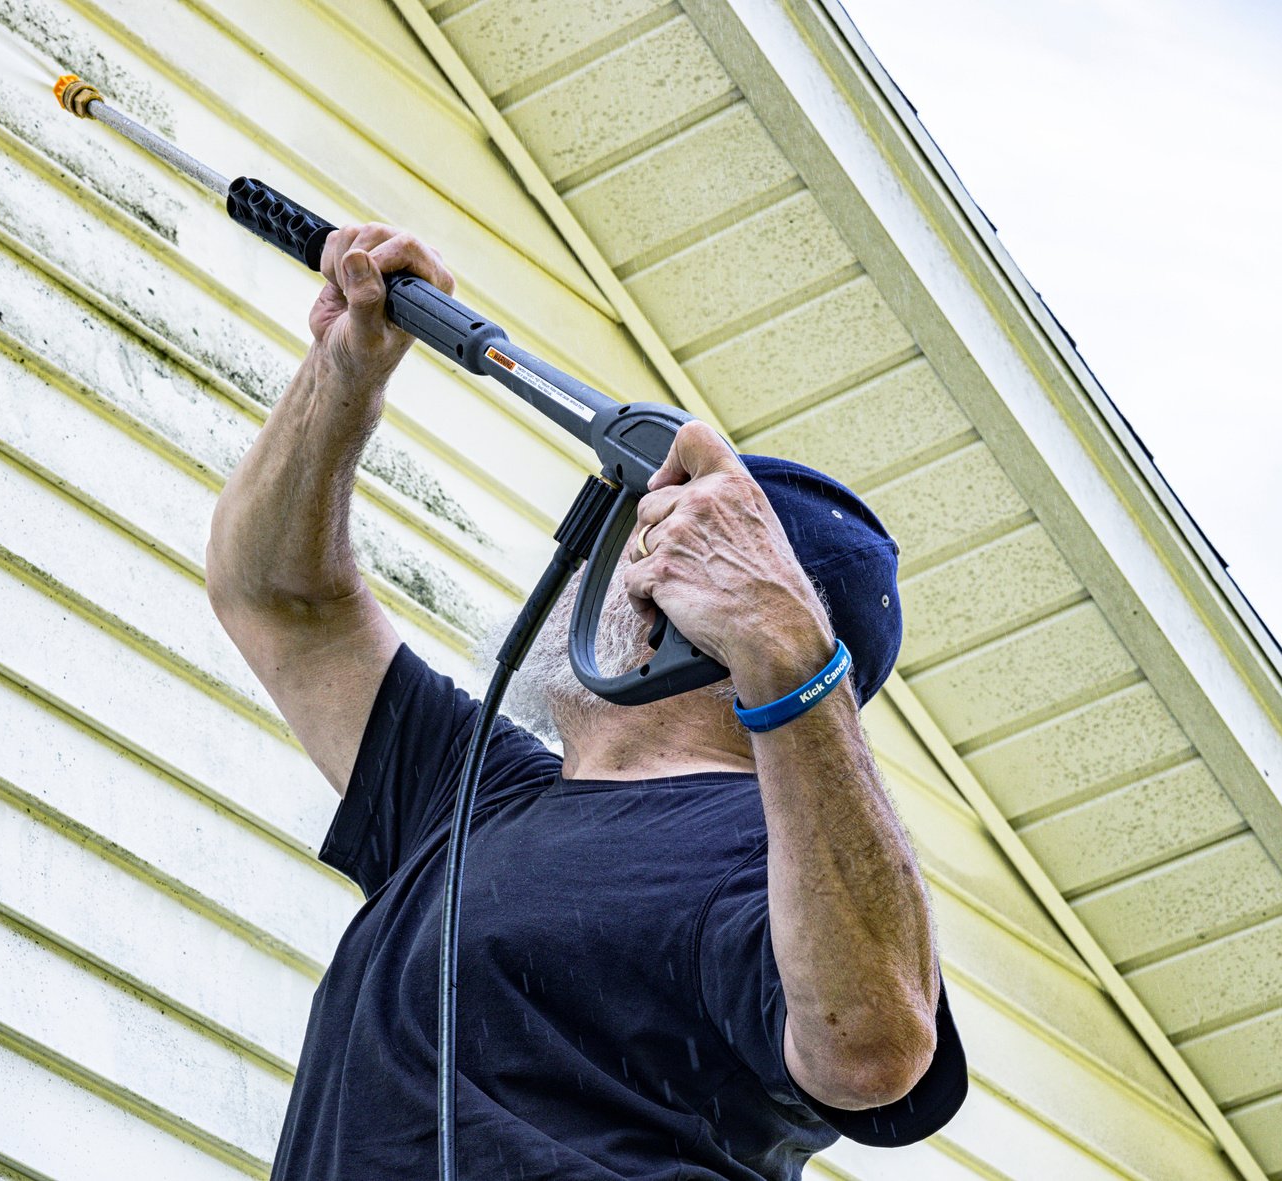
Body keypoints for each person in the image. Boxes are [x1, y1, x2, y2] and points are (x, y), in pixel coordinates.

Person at [206, 223, 967, 1180]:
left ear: (693, 620)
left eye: (632, 539)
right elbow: (280, 601)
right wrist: (344, 371)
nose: (576, 573)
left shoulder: (780, 858)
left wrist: (786, 648)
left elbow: (874, 1051)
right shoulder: (474, 789)